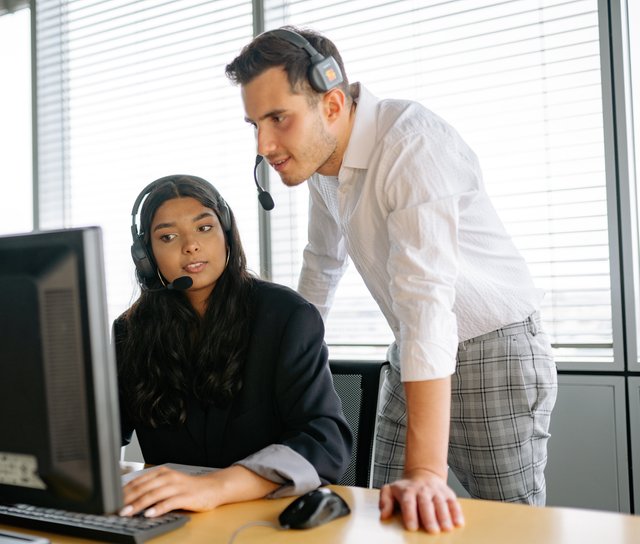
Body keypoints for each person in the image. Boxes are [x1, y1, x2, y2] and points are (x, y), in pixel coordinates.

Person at [225, 27, 558, 533]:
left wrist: (426, 471)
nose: (264, 144)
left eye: (277, 119)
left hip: (493, 349)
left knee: (509, 527)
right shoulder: (324, 163)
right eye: (254, 124)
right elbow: (321, 264)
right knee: (386, 515)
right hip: (415, 348)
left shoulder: (410, 142)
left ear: (332, 105)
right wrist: (278, 359)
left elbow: (426, 300)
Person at [113, 174, 352, 518]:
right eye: (167, 236)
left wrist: (216, 487)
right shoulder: (130, 331)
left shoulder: (286, 316)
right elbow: (98, 433)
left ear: (226, 233)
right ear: (146, 256)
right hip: (169, 517)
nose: (190, 246)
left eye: (204, 228)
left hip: (262, 514)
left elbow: (323, 440)